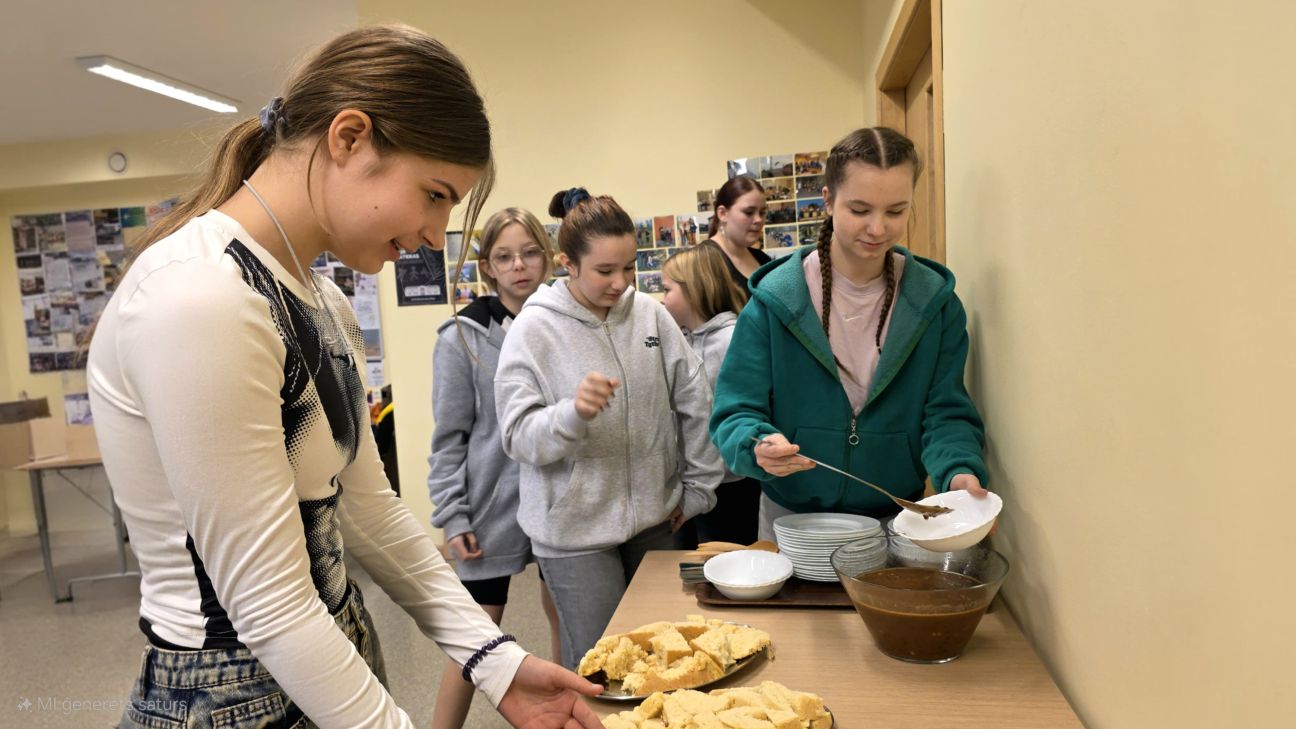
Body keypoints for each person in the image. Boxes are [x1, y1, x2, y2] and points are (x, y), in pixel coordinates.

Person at [87, 25, 600, 729]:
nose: (433, 232)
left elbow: (366, 508)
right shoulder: (199, 295)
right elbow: (264, 599)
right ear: (349, 138)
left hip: (330, 656)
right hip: (226, 693)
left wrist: (494, 659)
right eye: (434, 193)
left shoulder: (318, 298)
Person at [709, 127, 990, 544]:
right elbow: (734, 411)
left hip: (894, 520)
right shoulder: (775, 302)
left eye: (896, 211)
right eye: (859, 209)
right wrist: (757, 445)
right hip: (790, 520)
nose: (878, 228)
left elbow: (946, 412)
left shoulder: (936, 305)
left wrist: (960, 471)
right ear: (827, 200)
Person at [494, 188, 723, 669]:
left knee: (665, 656)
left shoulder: (650, 314)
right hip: (574, 535)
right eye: (604, 271)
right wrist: (570, 414)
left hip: (658, 521)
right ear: (567, 264)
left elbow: (694, 399)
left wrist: (699, 488)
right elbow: (517, 435)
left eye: (629, 267)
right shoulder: (533, 329)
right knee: (603, 666)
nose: (620, 282)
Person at [427, 207, 563, 729]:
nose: (519, 266)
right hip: (490, 507)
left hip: (558, 499)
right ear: (487, 267)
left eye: (529, 253)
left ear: (548, 258)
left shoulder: (563, 322)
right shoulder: (461, 338)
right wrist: (453, 516)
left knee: (565, 618)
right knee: (477, 634)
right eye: (504, 256)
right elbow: (449, 438)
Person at [660, 242, 760, 546]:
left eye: (667, 290)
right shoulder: (678, 341)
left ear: (694, 289)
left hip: (731, 483)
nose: (661, 300)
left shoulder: (732, 340)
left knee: (727, 560)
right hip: (689, 480)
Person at [705, 175, 770, 291]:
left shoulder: (763, 259)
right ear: (723, 214)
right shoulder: (700, 262)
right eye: (749, 212)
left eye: (762, 213)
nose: (759, 220)